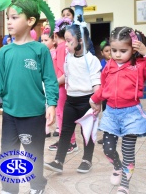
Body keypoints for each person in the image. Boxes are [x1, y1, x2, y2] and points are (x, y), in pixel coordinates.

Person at [0, 0, 59, 194]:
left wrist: (51, 104)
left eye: (14, 17)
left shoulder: (40, 50)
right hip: (10, 113)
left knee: (33, 153)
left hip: (34, 114)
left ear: (30, 21)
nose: (8, 22)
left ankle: (37, 186)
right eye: (8, 17)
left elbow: (50, 79)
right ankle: (9, 189)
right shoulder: (4, 51)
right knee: (8, 153)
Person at [89, 27, 146, 194]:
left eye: (123, 51)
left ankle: (124, 184)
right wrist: (94, 99)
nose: (117, 55)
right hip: (111, 113)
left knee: (128, 152)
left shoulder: (140, 65)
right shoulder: (109, 65)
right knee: (108, 149)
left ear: (134, 49)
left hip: (131, 114)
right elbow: (104, 87)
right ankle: (117, 167)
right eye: (113, 50)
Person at [44, 21, 101, 174]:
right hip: (71, 101)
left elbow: (96, 83)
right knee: (65, 132)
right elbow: (67, 75)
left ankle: (86, 160)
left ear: (81, 41)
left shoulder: (91, 60)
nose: (67, 45)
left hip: (87, 101)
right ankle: (58, 161)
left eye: (69, 41)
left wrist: (97, 100)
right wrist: (55, 84)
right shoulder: (69, 57)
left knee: (87, 133)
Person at [48, 17, 78, 153]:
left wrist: (53, 84)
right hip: (63, 86)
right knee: (62, 114)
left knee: (62, 114)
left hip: (61, 87)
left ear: (55, 35)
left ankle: (69, 142)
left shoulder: (61, 48)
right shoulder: (64, 48)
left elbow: (63, 72)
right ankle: (64, 140)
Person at [41, 25, 57, 138]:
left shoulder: (54, 53)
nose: (43, 43)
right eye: (41, 40)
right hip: (43, 82)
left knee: (49, 106)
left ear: (54, 41)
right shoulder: (42, 53)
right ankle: (45, 130)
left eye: (46, 40)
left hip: (51, 83)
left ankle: (47, 130)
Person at [97, 38, 111, 144]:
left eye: (111, 50)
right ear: (102, 53)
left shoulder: (117, 63)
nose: (109, 53)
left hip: (114, 94)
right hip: (105, 94)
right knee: (106, 115)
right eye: (106, 51)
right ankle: (107, 136)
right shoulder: (100, 64)